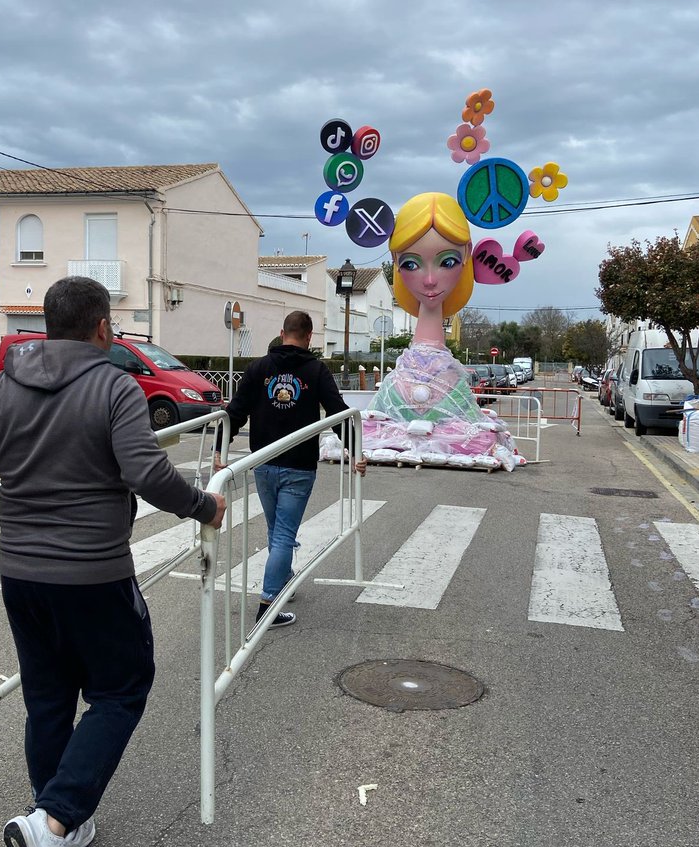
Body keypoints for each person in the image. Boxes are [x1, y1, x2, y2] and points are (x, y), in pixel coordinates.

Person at [0, 276, 226, 847]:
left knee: (47, 701)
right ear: (101, 329)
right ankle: (54, 822)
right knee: (122, 690)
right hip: (94, 575)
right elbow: (145, 472)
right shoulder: (115, 385)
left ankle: (60, 839)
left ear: (46, 323)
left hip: (22, 577)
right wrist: (204, 505)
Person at [214, 310, 365, 630]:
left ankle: (281, 577)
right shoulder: (316, 370)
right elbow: (338, 413)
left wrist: (218, 450)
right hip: (298, 465)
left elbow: (234, 413)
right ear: (309, 337)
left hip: (263, 464)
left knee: (276, 530)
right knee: (283, 534)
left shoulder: (257, 368)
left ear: (282, 334)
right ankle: (268, 606)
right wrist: (356, 451)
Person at [358, 192, 517, 469]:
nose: (430, 280)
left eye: (447, 262)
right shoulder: (397, 383)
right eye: (411, 264)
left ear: (467, 254)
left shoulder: (449, 380)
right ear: (395, 260)